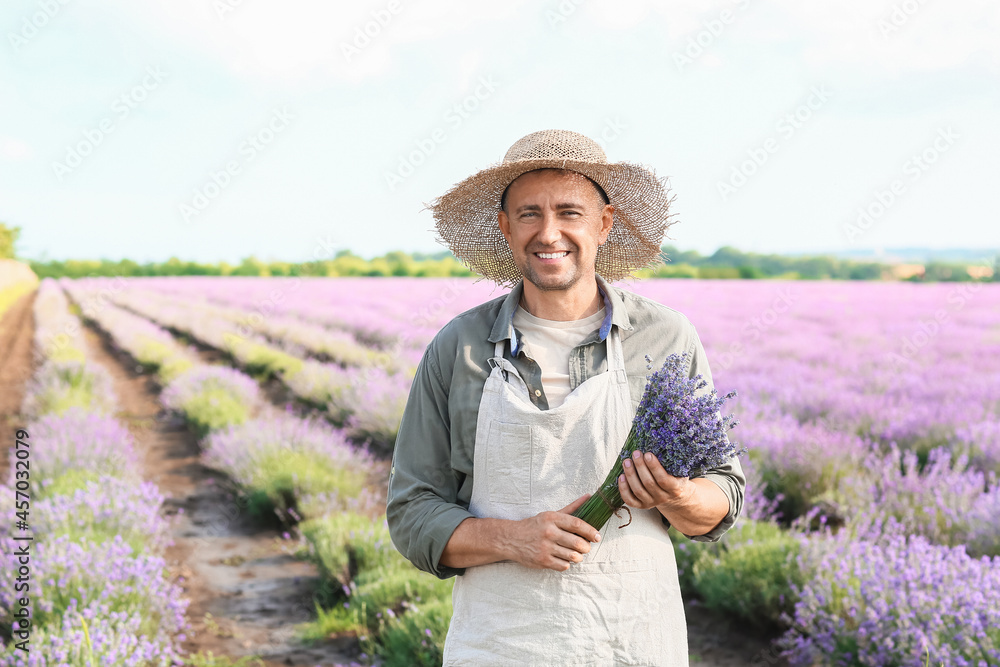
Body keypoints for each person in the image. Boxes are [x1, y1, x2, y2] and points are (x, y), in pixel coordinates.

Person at [386, 128, 745, 665]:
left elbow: (724, 492)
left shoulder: (666, 339)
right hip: (501, 644)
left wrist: (676, 496)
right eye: (529, 213)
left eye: (570, 212)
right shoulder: (457, 348)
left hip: (632, 640)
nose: (548, 232)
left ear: (605, 223)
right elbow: (412, 512)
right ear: (505, 228)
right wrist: (512, 539)